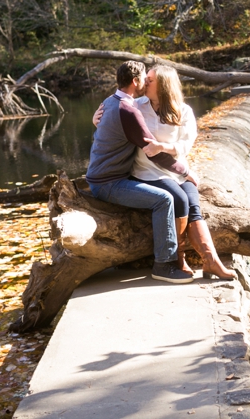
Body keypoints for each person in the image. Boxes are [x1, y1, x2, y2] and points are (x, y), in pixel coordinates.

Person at [94, 65, 236, 280]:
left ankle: (211, 262)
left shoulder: (183, 111)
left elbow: (184, 145)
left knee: (192, 202)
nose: (146, 83)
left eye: (150, 80)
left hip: (177, 169)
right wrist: (96, 121)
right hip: (149, 171)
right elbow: (115, 118)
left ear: (163, 85)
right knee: (177, 199)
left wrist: (168, 152)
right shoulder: (137, 106)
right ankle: (178, 259)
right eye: (145, 78)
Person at [85, 60, 196, 284]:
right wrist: (185, 172)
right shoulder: (129, 110)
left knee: (180, 198)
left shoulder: (112, 101)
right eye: (145, 78)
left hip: (106, 177)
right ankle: (164, 264)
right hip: (108, 183)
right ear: (135, 82)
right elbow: (153, 152)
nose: (147, 82)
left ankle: (182, 257)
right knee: (164, 200)